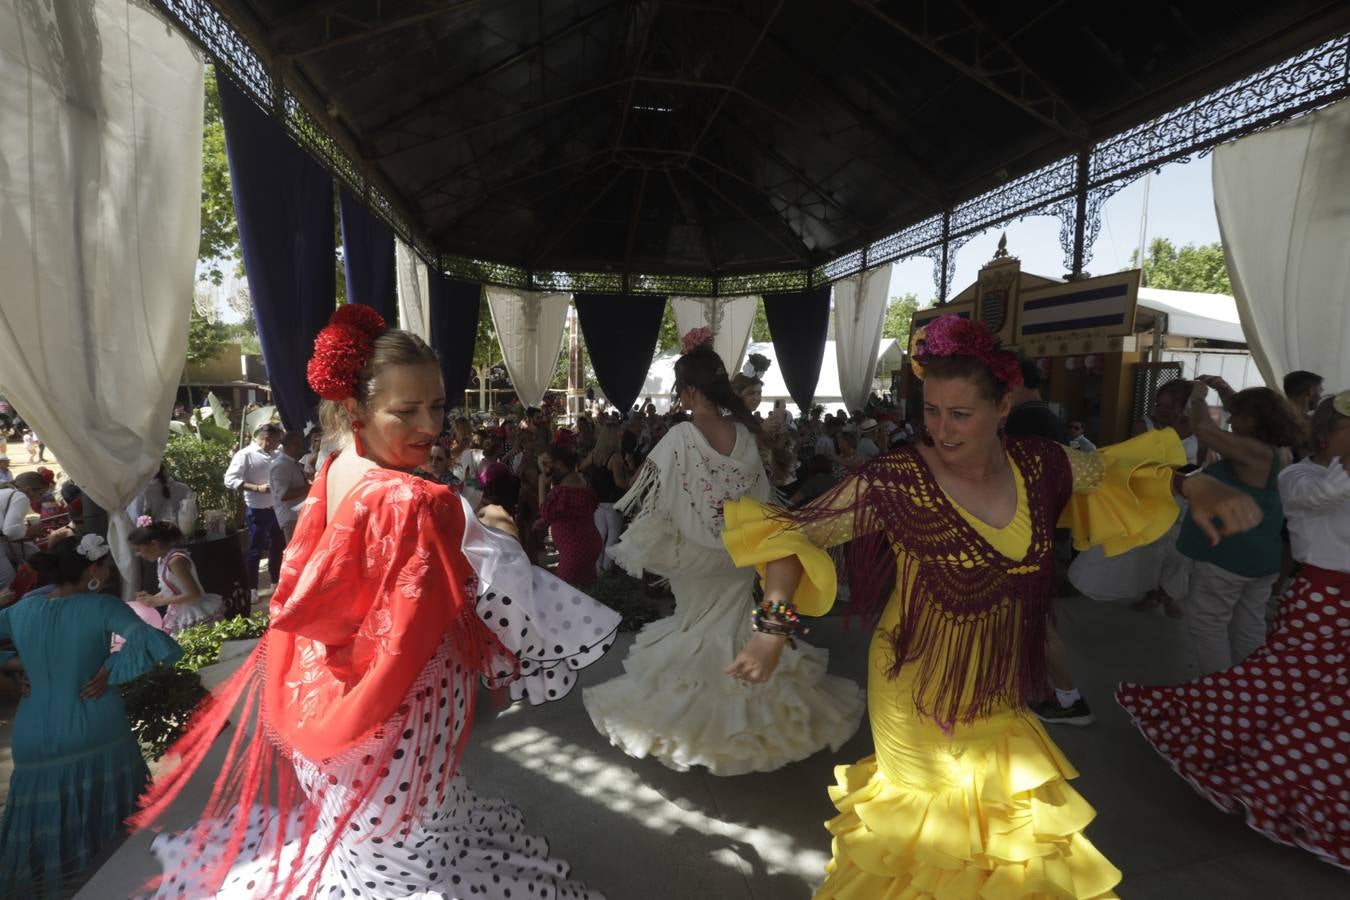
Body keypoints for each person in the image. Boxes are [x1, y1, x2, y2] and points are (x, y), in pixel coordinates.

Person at [718, 314, 1262, 897]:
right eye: (930, 411)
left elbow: (1110, 470)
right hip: (914, 683)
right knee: (934, 838)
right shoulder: (897, 478)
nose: (941, 430)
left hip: (999, 683)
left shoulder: (1041, 464)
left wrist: (1191, 485)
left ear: (1002, 407)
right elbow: (790, 533)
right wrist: (771, 627)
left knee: (1012, 835)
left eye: (960, 413)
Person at [136, 304, 618, 899]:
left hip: (330, 694)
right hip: (399, 711)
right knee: (409, 846)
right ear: (353, 407)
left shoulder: (338, 465)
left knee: (374, 839)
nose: (430, 426)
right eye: (407, 410)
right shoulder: (416, 500)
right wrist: (506, 536)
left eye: (437, 407)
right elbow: (506, 602)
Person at [583, 338, 864, 776]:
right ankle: (744, 716)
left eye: (680, 390)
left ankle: (702, 727)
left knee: (697, 628)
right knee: (732, 628)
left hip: (692, 558)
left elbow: (640, 486)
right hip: (737, 555)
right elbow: (761, 503)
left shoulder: (679, 436)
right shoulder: (747, 440)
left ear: (691, 392)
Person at [1117, 390, 1350, 870]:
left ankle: (1229, 709)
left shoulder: (1273, 457)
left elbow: (1203, 430)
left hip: (1245, 561)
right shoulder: (1294, 467)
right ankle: (1235, 713)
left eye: (1240, 413)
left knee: (1234, 642)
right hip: (1296, 583)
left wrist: (1205, 398)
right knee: (1264, 661)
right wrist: (1209, 396)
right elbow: (1324, 493)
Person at [0, 535, 182, 899]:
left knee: (45, 829)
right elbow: (160, 644)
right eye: (106, 563)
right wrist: (110, 668)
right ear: (93, 569)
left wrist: (19, 665)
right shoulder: (101, 606)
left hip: (33, 734)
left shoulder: (19, 612)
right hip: (95, 724)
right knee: (116, 831)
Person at [1174, 377, 1304, 675]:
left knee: (1209, 624)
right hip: (1260, 555)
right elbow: (1247, 412)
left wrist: (1197, 397)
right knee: (1248, 626)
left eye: (1237, 415)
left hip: (1230, 557)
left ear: (1255, 420)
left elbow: (1203, 429)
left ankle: (1217, 698)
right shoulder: (1279, 449)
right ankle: (1249, 691)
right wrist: (1223, 389)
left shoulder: (1254, 450)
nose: (1231, 418)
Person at [130, 520, 225, 634]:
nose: (137, 554)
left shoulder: (176, 561)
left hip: (193, 612)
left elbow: (194, 594)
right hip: (178, 611)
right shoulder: (162, 560)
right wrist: (151, 599)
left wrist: (158, 602)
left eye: (138, 550)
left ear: (154, 544)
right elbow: (172, 590)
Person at [223, 423, 283, 598]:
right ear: (267, 439)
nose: (278, 444)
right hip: (257, 509)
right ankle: (252, 588)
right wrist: (256, 488)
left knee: (277, 547)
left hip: (277, 508)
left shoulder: (277, 454)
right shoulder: (245, 455)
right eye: (276, 440)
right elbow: (229, 480)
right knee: (255, 549)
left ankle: (275, 582)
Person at [536, 444, 603, 587]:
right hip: (590, 543)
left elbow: (545, 511)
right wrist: (545, 521)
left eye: (547, 463)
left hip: (575, 550)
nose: (545, 468)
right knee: (584, 591)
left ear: (559, 463)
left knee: (564, 593)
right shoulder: (580, 480)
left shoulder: (562, 490)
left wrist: (541, 484)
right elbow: (570, 513)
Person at [583, 422, 631, 574]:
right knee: (613, 535)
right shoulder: (615, 457)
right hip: (613, 501)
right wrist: (631, 484)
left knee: (600, 534)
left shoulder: (595, 453)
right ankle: (606, 568)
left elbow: (581, 467)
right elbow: (619, 482)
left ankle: (597, 569)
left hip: (598, 500)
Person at [1004, 357, 1068, 442]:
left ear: (1018, 382)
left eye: (1006, 384)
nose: (1004, 391)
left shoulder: (1016, 421)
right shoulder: (1055, 421)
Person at [268, 430, 310, 543]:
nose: (301, 448)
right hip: (290, 517)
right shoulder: (281, 465)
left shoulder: (291, 462)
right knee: (295, 552)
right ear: (292, 445)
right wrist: (308, 488)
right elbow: (284, 495)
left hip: (299, 514)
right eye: (299, 444)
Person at [128, 464, 195, 533]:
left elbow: (133, 523)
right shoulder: (184, 489)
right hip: (182, 540)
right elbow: (192, 517)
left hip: (153, 542)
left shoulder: (139, 493)